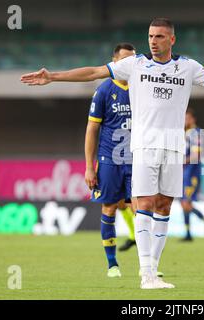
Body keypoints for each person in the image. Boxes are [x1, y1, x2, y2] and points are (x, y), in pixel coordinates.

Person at [21, 17, 204, 290]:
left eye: (160, 37)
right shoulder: (135, 64)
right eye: (151, 36)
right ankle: (146, 274)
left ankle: (152, 271)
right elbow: (94, 72)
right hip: (145, 146)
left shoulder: (186, 67)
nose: (153, 41)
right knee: (144, 203)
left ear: (172, 39)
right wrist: (53, 76)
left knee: (164, 205)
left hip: (174, 147)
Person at [84, 43, 137, 278]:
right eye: (123, 61)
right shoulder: (104, 90)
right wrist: (89, 167)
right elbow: (92, 129)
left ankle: (148, 266)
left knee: (143, 210)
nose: (128, 65)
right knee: (109, 208)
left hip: (137, 160)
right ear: (114, 63)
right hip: (110, 160)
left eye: (132, 60)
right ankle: (112, 264)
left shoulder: (142, 88)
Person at [180, 108, 204, 242]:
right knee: (184, 203)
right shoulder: (185, 133)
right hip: (184, 172)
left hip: (192, 173)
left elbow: (196, 155)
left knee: (185, 202)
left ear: (193, 119)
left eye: (187, 118)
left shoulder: (196, 133)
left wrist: (181, 161)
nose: (185, 120)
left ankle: (194, 232)